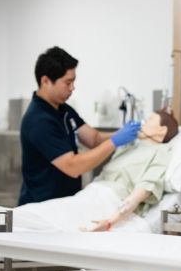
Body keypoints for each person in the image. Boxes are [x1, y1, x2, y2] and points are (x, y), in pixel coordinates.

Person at [19, 46, 142, 205]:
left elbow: (93, 138)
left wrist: (125, 133)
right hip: (42, 207)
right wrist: (115, 141)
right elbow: (72, 166)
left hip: (64, 203)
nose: (73, 88)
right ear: (45, 81)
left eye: (73, 81)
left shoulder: (64, 110)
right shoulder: (39, 120)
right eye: (67, 82)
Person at [82, 109, 179, 231]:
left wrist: (109, 222)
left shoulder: (160, 152)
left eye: (149, 120)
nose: (143, 122)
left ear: (162, 130)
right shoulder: (128, 147)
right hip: (90, 195)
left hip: (113, 201)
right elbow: (101, 177)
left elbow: (141, 192)